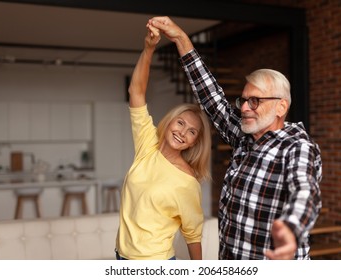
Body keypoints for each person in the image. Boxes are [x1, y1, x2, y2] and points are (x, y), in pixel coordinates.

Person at [149, 16, 322, 260]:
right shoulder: (244, 137)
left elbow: (305, 192)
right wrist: (180, 38)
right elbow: (211, 97)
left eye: (256, 101)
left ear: (281, 107)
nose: (244, 108)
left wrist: (292, 230)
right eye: (244, 100)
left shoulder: (297, 147)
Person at [115, 23, 212, 260]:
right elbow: (136, 92)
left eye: (191, 132)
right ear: (169, 122)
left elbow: (193, 234)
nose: (182, 132)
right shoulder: (148, 145)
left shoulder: (187, 181)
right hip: (121, 255)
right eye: (180, 123)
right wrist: (149, 48)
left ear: (193, 143)